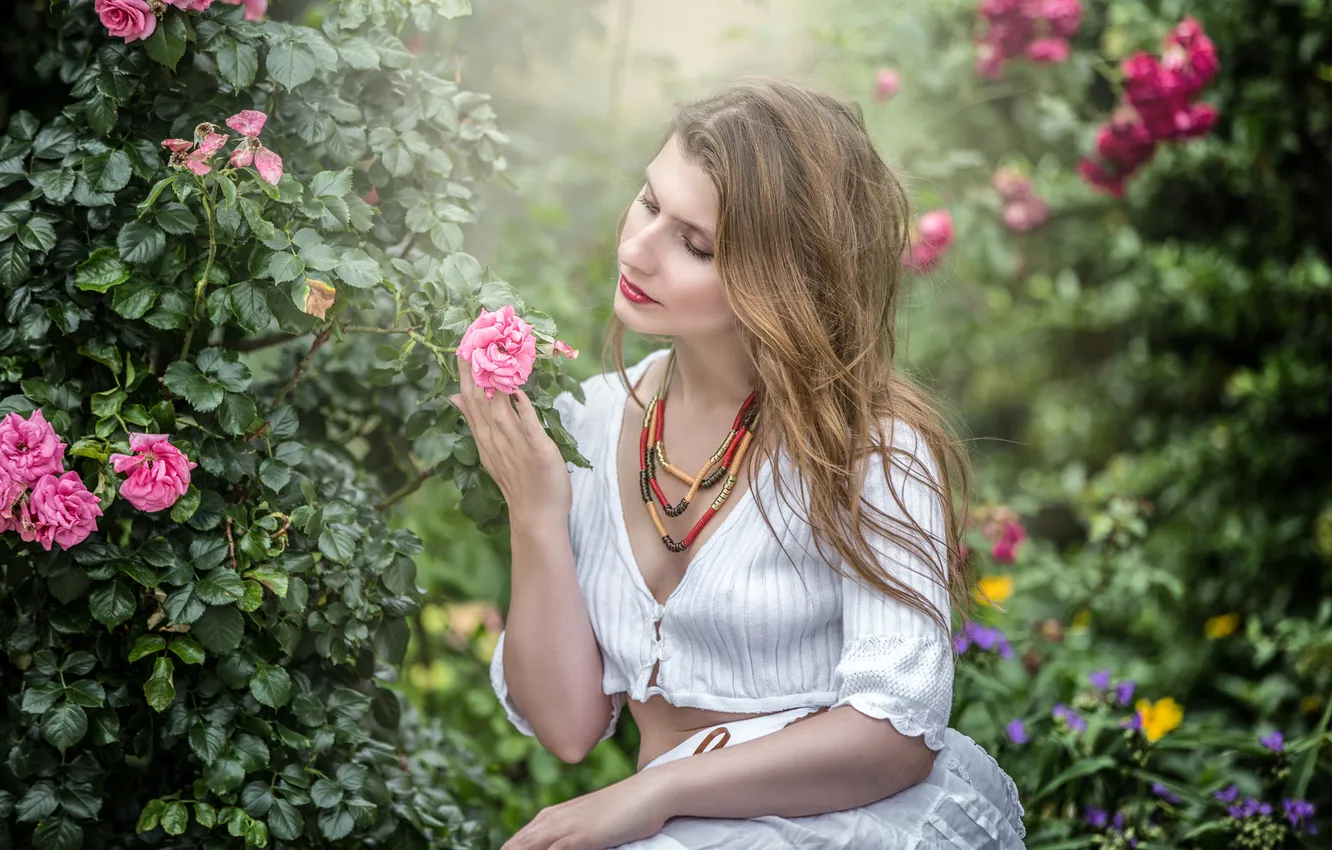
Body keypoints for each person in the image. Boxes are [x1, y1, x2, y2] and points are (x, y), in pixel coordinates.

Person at [450, 76, 1026, 850]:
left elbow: (895, 731)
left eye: (695, 245)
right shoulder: (590, 419)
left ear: (783, 279)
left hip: (832, 826)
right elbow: (568, 728)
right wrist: (534, 512)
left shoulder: (868, 451)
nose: (635, 250)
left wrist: (657, 791)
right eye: (648, 203)